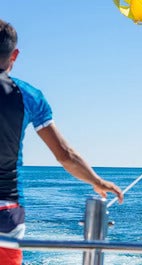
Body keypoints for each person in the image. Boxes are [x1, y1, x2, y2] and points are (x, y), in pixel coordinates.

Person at [0, 19, 124, 265]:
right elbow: (65, 155)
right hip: (7, 212)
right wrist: (97, 181)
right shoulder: (29, 96)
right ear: (15, 54)